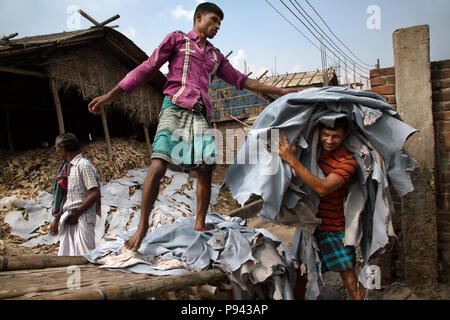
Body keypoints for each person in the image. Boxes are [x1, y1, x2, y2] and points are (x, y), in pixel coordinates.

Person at [88, 2, 298, 252]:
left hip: (200, 115)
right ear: (198, 18)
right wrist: (111, 95)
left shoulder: (216, 57)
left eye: (220, 23)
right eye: (213, 20)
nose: (217, 26)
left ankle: (200, 223)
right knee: (158, 164)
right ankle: (142, 227)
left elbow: (242, 81)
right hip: (174, 107)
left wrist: (281, 91)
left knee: (206, 169)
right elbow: (148, 67)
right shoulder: (177, 40)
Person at [275, 118, 365, 300]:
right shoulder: (312, 154)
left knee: (349, 278)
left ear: (344, 136)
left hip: (333, 227)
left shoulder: (348, 162)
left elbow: (322, 188)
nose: (329, 141)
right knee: (302, 273)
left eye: (335, 136)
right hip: (309, 225)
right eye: (325, 135)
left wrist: (292, 161)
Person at [50, 133, 101, 256]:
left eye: (57, 146)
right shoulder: (70, 167)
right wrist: (57, 219)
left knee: (85, 255)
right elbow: (67, 196)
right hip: (71, 216)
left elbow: (94, 193)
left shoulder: (83, 165)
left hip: (82, 216)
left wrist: (77, 212)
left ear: (64, 147)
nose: (55, 149)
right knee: (68, 255)